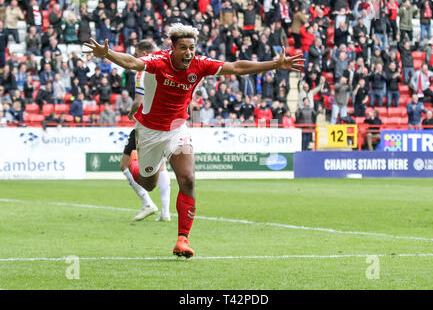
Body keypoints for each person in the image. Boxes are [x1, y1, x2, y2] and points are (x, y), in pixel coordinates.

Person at [83, 23, 304, 258]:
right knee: (148, 183)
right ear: (172, 48)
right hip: (149, 131)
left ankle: (182, 240)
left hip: (177, 128)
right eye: (183, 48)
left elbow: (236, 67)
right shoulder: (158, 61)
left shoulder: (200, 64)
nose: (188, 53)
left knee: (187, 179)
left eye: (192, 48)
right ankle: (136, 161)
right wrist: (107, 54)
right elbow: (132, 62)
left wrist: (275, 64)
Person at [120, 40, 171, 223]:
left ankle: (147, 203)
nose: (135, 57)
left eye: (136, 53)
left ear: (143, 52)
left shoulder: (144, 71)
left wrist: (132, 112)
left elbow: (139, 101)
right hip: (165, 122)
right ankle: (165, 212)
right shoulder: (167, 67)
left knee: (125, 165)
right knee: (162, 164)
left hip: (146, 124)